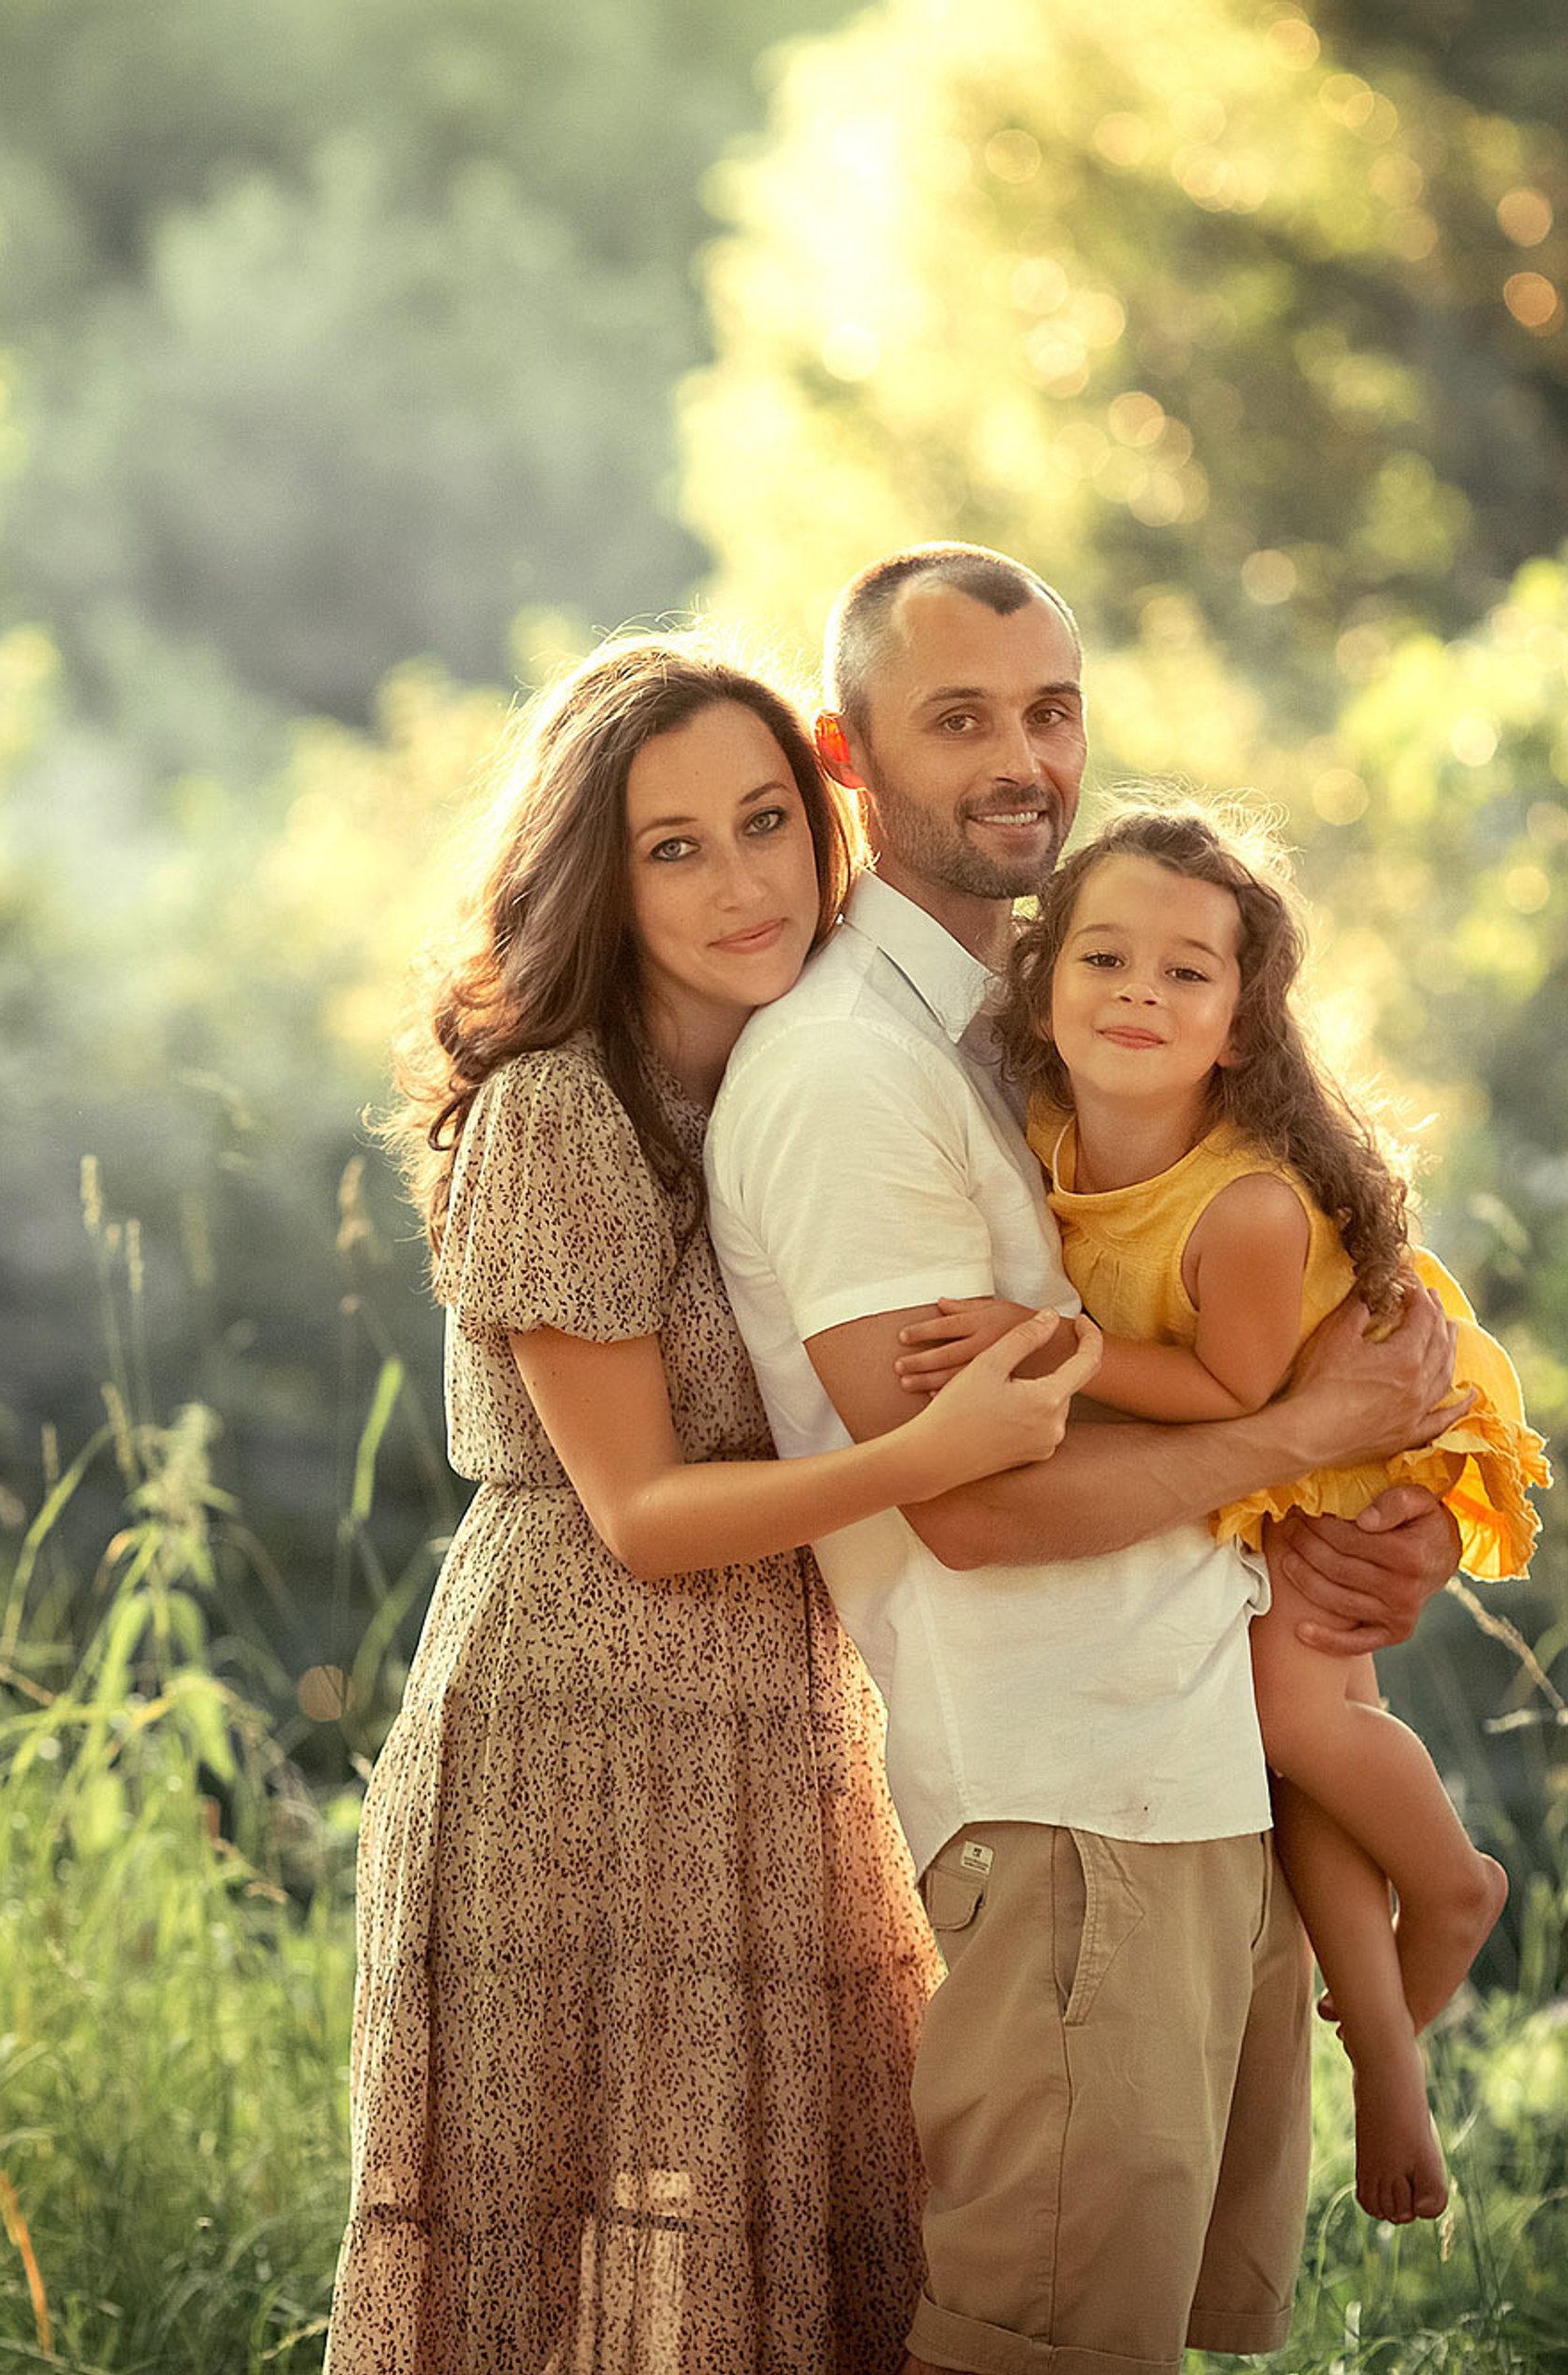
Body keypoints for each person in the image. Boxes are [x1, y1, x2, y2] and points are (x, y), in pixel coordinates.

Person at [702, 546, 1469, 2375]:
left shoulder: (1046, 1045)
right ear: (846, 754)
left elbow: (1257, 1368)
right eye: (954, 716)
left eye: (1047, 709)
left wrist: (1366, 1512)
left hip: (1192, 1762)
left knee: (1142, 2337)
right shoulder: (843, 1073)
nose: (1019, 756)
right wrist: (1300, 1434)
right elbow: (963, 1503)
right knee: (1037, 2342)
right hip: (1062, 1806)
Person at [323, 632, 1101, 2374]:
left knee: (804, 2238)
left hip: (779, 1713)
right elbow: (641, 1512)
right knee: (577, 2256)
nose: (744, 883)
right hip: (574, 1721)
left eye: (767, 821)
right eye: (676, 847)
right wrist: (933, 1453)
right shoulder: (561, 1109)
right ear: (601, 876)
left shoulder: (795, 1075)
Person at [893, 802, 1546, 2225]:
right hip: (1286, 1438)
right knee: (1291, 1755)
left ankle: (1450, 1886)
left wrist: (1042, 1338)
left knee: (1300, 1726)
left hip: (1356, 1438)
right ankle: (1385, 2063)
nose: (1138, 991)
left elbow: (1229, 1388)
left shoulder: (1242, 1208)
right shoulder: (1048, 1119)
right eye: (1105, 960)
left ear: (1242, 1030)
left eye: (1187, 975)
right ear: (1042, 981)